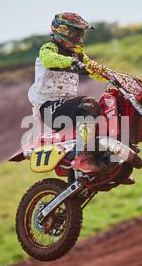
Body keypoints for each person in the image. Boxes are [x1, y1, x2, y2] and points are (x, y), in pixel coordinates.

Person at [27, 12, 107, 173]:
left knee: (105, 111)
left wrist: (113, 76)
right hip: (49, 108)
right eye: (74, 33)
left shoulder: (78, 55)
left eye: (80, 34)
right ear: (62, 31)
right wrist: (72, 62)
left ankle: (108, 162)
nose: (78, 37)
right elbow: (48, 59)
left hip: (66, 107)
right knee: (88, 104)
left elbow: (94, 69)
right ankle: (84, 157)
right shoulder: (50, 47)